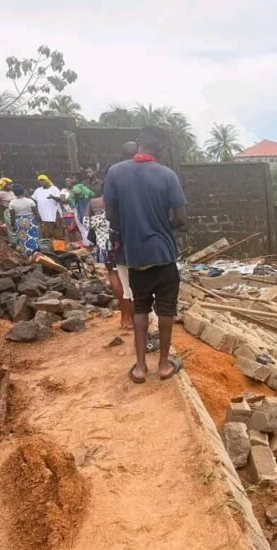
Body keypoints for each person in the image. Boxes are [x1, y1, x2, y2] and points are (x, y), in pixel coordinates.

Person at [104, 126, 187, 383]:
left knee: (140, 306)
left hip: (135, 257)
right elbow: (181, 218)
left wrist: (129, 228)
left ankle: (140, 367)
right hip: (163, 255)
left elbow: (110, 216)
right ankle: (163, 365)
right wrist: (163, 227)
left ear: (139, 144)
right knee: (166, 309)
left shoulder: (116, 173)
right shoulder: (167, 175)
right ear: (160, 149)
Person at [83, 193, 133, 329]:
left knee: (113, 274)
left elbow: (86, 223)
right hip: (123, 244)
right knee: (129, 278)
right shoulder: (123, 199)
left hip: (106, 246)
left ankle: (125, 317)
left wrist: (101, 220)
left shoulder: (94, 203)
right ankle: (135, 315)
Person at [8, 184, 40, 255]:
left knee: (23, 238)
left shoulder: (12, 203)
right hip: (31, 221)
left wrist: (13, 225)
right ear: (23, 191)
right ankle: (35, 253)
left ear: (14, 193)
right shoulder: (30, 201)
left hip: (19, 222)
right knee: (33, 237)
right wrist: (40, 222)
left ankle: (26, 253)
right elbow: (36, 213)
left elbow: (12, 216)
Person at [32, 174, 65, 240]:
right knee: (46, 233)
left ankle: (60, 248)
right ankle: (49, 249)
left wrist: (52, 197)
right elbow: (33, 200)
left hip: (54, 214)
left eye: (43, 180)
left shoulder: (54, 188)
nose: (41, 182)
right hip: (43, 216)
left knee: (57, 232)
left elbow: (60, 199)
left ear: (47, 181)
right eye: (40, 181)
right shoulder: (38, 190)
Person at [0, 177, 17, 245]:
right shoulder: (1, 193)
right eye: (8, 184)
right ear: (4, 185)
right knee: (11, 227)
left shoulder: (12, 192)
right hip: (8, 211)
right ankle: (13, 243)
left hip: (16, 211)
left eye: (11, 184)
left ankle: (19, 241)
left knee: (17, 226)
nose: (10, 186)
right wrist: (1, 204)